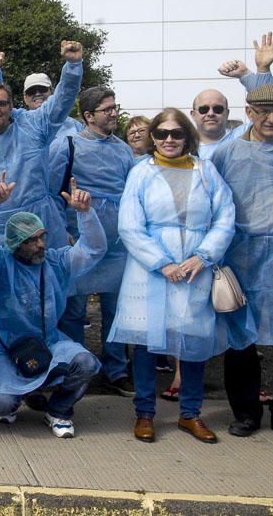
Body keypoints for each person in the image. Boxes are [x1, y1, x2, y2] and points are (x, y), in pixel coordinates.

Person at [110, 109, 244, 444]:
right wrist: (161, 263)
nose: (169, 140)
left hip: (195, 269)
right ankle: (144, 412)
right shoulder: (141, 173)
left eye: (177, 133)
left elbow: (225, 216)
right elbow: (129, 224)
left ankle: (190, 414)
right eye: (162, 134)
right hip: (151, 271)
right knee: (145, 342)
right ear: (153, 137)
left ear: (188, 136)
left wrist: (204, 255)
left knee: (192, 341)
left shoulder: (206, 171)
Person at [212, 84, 273, 444]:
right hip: (242, 256)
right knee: (241, 342)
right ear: (248, 112)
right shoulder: (227, 153)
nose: (271, 119)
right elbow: (215, 203)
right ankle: (246, 412)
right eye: (263, 111)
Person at [0, 180, 105, 439]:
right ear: (14, 244)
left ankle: (58, 410)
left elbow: (93, 249)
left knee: (85, 363)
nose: (40, 245)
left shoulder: (56, 261)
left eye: (42, 236)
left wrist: (85, 213)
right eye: (30, 240)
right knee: (2, 404)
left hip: (50, 343)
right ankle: (9, 398)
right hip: (3, 347)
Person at [0, 41, 85, 246]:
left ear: (12, 107)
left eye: (2, 103)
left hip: (42, 229)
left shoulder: (33, 128)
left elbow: (61, 101)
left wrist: (73, 68)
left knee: (47, 277)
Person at [49, 87, 135, 397]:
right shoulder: (66, 146)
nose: (114, 113)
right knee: (73, 311)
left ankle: (116, 370)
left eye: (115, 107)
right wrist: (63, 233)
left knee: (116, 310)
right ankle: (77, 368)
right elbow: (53, 194)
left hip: (118, 244)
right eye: (107, 109)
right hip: (79, 240)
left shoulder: (124, 150)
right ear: (88, 116)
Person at [191, 32, 273, 160]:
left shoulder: (245, 135)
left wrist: (256, 72)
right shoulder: (179, 144)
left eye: (218, 109)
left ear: (227, 113)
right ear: (193, 114)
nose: (211, 113)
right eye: (204, 109)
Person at [22, 71, 82, 140]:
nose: (37, 94)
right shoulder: (17, 129)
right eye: (31, 91)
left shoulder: (74, 126)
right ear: (25, 98)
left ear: (52, 92)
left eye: (42, 89)